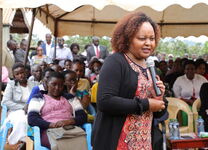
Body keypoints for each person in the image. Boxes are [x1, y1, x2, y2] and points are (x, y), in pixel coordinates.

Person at [92, 12, 167, 150]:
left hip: (144, 142)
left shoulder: (149, 66)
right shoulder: (115, 61)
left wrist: (159, 98)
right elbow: (105, 101)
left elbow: (158, 112)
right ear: (127, 39)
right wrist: (146, 104)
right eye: (142, 38)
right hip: (117, 141)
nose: (148, 43)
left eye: (152, 38)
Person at [27, 72, 87, 149]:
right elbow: (32, 119)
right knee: (59, 143)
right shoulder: (38, 98)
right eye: (54, 84)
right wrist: (51, 125)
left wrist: (69, 121)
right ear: (47, 84)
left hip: (70, 130)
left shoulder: (70, 98)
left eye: (61, 85)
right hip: (49, 131)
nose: (57, 88)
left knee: (80, 140)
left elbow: (83, 116)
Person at [1, 63, 35, 145]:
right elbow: (5, 101)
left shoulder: (32, 84)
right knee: (22, 119)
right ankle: (19, 140)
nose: (21, 75)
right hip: (16, 110)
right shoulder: (11, 85)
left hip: (32, 110)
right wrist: (23, 107)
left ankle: (31, 141)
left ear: (26, 72)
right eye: (17, 74)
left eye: (22, 72)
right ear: (14, 76)